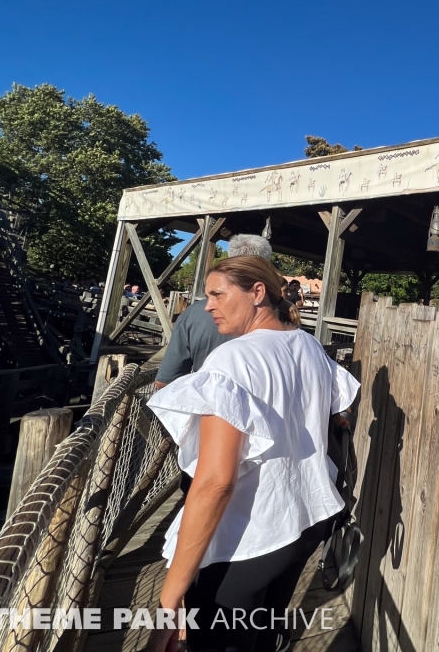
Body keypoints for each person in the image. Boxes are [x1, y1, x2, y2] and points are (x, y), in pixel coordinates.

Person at [146, 256, 359, 652]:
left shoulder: (232, 360)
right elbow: (337, 411)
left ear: (257, 292)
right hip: (305, 520)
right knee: (265, 633)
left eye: (217, 294)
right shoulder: (307, 343)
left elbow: (214, 484)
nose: (207, 305)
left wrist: (169, 602)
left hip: (248, 538)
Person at [155, 234, 273, 389]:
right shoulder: (284, 316)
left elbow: (165, 381)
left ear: (230, 258)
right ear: (267, 264)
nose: (209, 307)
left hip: (207, 403)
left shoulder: (194, 314)